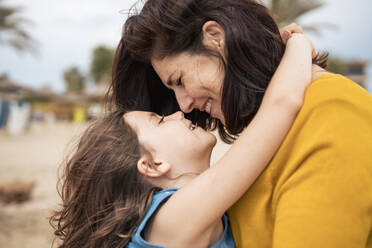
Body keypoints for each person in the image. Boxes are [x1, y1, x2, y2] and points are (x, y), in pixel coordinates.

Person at [109, 0, 372, 247]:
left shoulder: (332, 109)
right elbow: (280, 105)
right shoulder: (252, 154)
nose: (183, 106)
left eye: (179, 80)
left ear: (215, 38)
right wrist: (300, 44)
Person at [50, 33, 314, 247]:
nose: (179, 112)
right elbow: (280, 106)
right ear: (153, 165)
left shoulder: (177, 217)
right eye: (160, 121)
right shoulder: (171, 221)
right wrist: (299, 43)